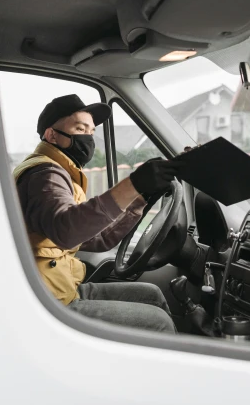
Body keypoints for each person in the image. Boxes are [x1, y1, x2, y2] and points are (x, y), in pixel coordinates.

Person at [13, 94, 181, 333]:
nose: (88, 138)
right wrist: (133, 183)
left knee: (152, 295)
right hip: (50, 300)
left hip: (61, 286)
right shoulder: (45, 174)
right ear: (52, 135)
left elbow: (97, 238)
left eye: (91, 132)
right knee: (159, 322)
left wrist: (141, 197)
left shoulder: (59, 171)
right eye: (80, 128)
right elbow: (66, 229)